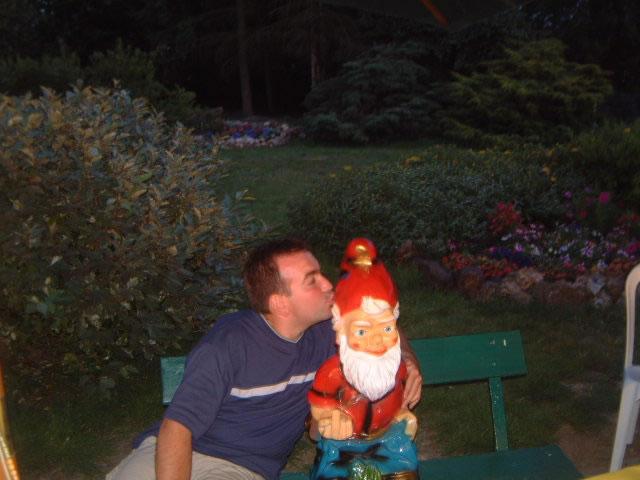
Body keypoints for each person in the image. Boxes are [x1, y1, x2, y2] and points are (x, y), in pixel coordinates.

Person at [107, 238, 422, 480]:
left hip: (238, 468)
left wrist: (407, 360)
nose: (329, 284)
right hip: (170, 452)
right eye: (312, 279)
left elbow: (382, 321)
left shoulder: (328, 330)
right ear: (281, 304)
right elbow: (177, 428)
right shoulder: (230, 343)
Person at [308, 238, 419, 480]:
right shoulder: (333, 373)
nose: (377, 340)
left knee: (406, 474)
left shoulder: (395, 367)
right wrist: (328, 418)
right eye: (361, 332)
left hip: (389, 439)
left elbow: (399, 396)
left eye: (387, 328)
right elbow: (320, 406)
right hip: (343, 445)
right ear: (341, 331)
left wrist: (402, 413)